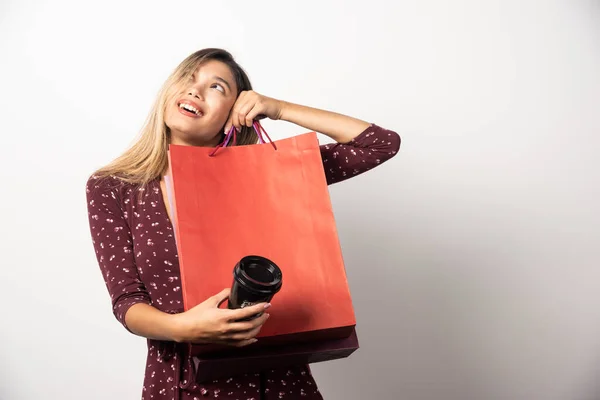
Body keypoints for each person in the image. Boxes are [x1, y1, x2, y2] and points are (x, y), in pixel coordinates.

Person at [86, 48, 401, 400]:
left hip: (279, 385)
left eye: (216, 87)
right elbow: (127, 303)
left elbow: (379, 144)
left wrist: (278, 108)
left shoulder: (270, 176)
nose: (195, 91)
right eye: (188, 80)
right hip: (179, 384)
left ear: (235, 112)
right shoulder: (113, 187)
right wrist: (183, 327)